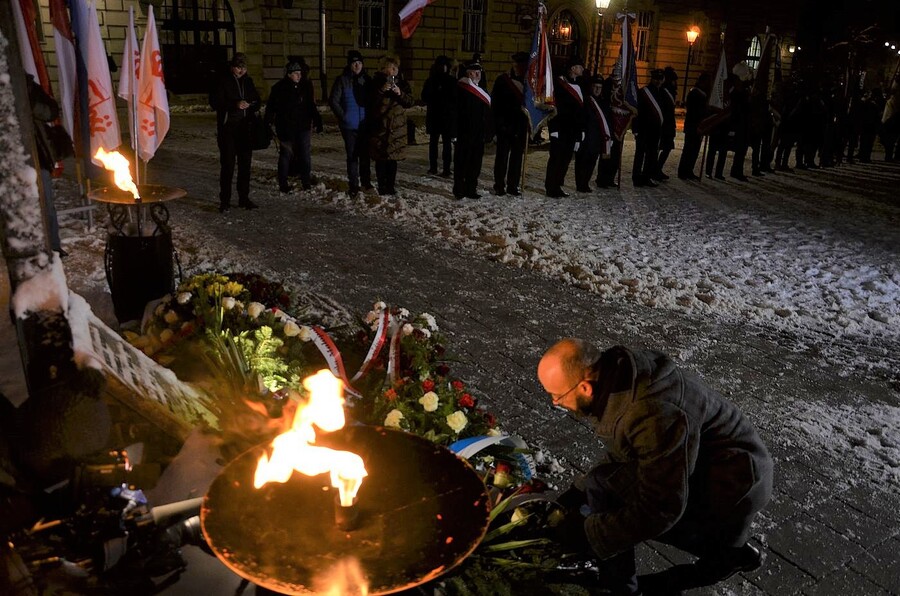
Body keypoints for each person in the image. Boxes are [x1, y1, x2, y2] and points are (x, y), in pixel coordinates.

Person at [537, 339, 773, 595]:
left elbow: (660, 507)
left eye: (557, 396)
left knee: (617, 501)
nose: (555, 403)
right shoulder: (620, 379)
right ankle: (730, 550)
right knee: (601, 486)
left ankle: (623, 589)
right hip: (706, 468)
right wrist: (574, 495)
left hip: (732, 487)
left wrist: (591, 534)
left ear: (585, 387)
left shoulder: (650, 412)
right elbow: (630, 452)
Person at [211, 52, 261, 212]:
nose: (241, 71)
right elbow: (215, 102)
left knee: (245, 165)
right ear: (233, 67)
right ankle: (225, 200)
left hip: (245, 128)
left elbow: (257, 101)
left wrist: (250, 105)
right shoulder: (222, 81)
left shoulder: (248, 81)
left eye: (244, 68)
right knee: (228, 166)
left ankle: (243, 198)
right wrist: (234, 104)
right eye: (239, 67)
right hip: (228, 129)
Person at [266, 59, 322, 194]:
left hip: (303, 127)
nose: (299, 75)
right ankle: (283, 182)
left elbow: (311, 105)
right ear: (289, 74)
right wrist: (267, 124)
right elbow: (270, 108)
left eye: (300, 73)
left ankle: (306, 181)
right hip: (286, 128)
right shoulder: (279, 88)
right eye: (296, 73)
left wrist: (317, 120)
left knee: (305, 154)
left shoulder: (305, 86)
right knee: (286, 155)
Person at [26, 74, 68, 256]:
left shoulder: (26, 83)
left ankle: (53, 247)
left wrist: (28, 104)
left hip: (36, 155)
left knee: (45, 203)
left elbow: (51, 111)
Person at [367, 55, 414, 196]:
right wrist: (381, 90)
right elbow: (370, 102)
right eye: (391, 68)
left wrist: (400, 93)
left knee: (393, 159)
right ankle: (382, 186)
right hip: (380, 126)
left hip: (397, 127)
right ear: (384, 69)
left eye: (396, 68)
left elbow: (410, 101)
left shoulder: (403, 83)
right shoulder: (375, 82)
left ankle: (391, 186)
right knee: (381, 158)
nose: (394, 71)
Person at [329, 50, 372, 197]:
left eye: (359, 63)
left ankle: (366, 182)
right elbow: (334, 101)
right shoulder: (342, 80)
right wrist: (344, 116)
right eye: (354, 63)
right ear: (349, 65)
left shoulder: (367, 80)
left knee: (365, 156)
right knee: (352, 156)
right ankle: (354, 184)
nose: (357, 65)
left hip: (364, 125)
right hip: (349, 126)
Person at [545, 57, 586, 198]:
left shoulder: (579, 85)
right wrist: (554, 129)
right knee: (556, 159)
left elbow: (580, 112)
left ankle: (558, 186)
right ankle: (551, 187)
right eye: (580, 67)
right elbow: (553, 107)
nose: (582, 69)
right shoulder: (559, 84)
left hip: (572, 131)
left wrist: (580, 132)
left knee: (566, 160)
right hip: (560, 129)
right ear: (573, 68)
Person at [491, 52, 530, 196]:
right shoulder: (503, 80)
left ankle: (513, 186)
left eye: (521, 65)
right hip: (505, 125)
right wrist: (498, 125)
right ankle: (499, 185)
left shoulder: (529, 85)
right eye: (516, 64)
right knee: (502, 157)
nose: (518, 68)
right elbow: (495, 104)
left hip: (520, 127)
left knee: (516, 158)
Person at [453, 60, 492, 199]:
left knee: (475, 164)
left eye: (479, 72)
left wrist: (488, 132)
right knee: (461, 163)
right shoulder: (460, 88)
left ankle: (471, 189)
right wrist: (454, 133)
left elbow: (487, 114)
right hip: (464, 133)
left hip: (478, 134)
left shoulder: (483, 90)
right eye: (474, 72)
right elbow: (454, 112)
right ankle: (459, 189)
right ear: (468, 73)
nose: (477, 75)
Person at [574, 74, 613, 193]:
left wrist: (609, 137)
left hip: (597, 139)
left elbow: (608, 120)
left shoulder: (604, 102)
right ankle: (580, 184)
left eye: (599, 87)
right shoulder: (585, 100)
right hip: (586, 137)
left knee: (592, 162)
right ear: (591, 87)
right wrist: (580, 134)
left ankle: (585, 182)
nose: (597, 89)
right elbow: (579, 118)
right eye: (595, 86)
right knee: (582, 162)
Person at [421, 55, 457, 177]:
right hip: (435, 116)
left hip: (446, 117)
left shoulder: (452, 81)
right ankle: (433, 167)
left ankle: (446, 169)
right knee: (433, 143)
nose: (443, 68)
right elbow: (424, 97)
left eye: (445, 65)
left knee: (446, 144)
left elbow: (456, 99)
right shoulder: (431, 81)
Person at [632, 68, 664, 187]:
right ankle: (636, 177)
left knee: (651, 155)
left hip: (655, 130)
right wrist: (635, 129)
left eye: (660, 79)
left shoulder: (662, 93)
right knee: (640, 154)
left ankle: (647, 177)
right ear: (652, 78)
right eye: (656, 79)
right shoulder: (643, 92)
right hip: (643, 129)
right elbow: (636, 112)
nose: (658, 81)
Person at [677, 72, 709, 180]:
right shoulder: (695, 93)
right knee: (688, 150)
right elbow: (695, 111)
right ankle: (683, 171)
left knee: (694, 150)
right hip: (693, 126)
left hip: (697, 125)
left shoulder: (701, 93)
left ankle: (689, 170)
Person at [654, 66, 678, 181]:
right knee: (660, 148)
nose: (675, 83)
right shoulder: (664, 92)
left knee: (667, 148)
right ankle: (655, 169)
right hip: (664, 126)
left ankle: (657, 168)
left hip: (668, 125)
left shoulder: (669, 92)